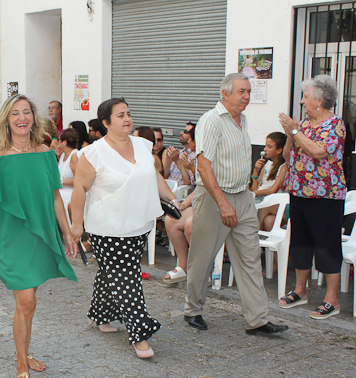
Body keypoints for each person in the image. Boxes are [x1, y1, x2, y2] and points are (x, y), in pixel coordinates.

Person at [0, 94, 77, 378]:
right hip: (9, 238)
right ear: (6, 119)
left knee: (28, 303)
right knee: (26, 302)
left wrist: (67, 233)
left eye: (26, 112)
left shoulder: (45, 153)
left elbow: (55, 197)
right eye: (15, 113)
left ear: (33, 117)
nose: (21, 118)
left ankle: (24, 351)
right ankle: (20, 366)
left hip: (40, 235)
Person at [71, 98, 178, 358]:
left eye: (128, 113)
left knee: (112, 273)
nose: (127, 119)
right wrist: (76, 225)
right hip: (107, 228)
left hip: (139, 224)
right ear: (106, 122)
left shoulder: (142, 145)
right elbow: (80, 189)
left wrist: (173, 200)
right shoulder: (93, 153)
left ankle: (99, 314)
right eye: (120, 115)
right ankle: (140, 334)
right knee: (127, 277)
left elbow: (155, 176)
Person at [183, 73, 289, 335]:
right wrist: (223, 204)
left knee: (250, 258)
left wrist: (245, 194)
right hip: (214, 197)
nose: (246, 97)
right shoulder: (211, 120)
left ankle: (258, 320)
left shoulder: (243, 119)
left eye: (249, 91)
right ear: (225, 93)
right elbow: (203, 166)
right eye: (241, 91)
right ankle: (192, 309)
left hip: (242, 197)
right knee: (203, 258)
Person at [278, 74, 347, 319]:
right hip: (299, 192)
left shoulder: (335, 124)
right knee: (301, 242)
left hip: (326, 196)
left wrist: (295, 131)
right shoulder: (304, 125)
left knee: (326, 245)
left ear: (319, 100)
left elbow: (318, 152)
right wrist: (290, 135)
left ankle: (332, 300)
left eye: (306, 97)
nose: (302, 101)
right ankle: (300, 291)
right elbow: (287, 156)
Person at [163, 131, 197, 283]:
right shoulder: (196, 156)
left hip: (216, 203)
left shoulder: (212, 156)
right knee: (172, 219)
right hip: (199, 200)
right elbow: (200, 187)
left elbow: (197, 183)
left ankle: (201, 269)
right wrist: (182, 205)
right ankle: (184, 266)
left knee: (190, 224)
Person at [250, 132, 287, 231]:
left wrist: (252, 193)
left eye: (269, 146)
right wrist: (255, 172)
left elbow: (272, 190)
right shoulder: (267, 165)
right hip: (261, 198)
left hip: (274, 201)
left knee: (262, 207)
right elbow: (256, 188)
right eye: (265, 145)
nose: (265, 149)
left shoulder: (283, 167)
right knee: (269, 221)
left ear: (279, 150)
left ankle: (255, 236)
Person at [57, 128, 79, 222]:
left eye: (59, 140)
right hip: (61, 190)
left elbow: (79, 180)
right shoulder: (63, 155)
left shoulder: (74, 156)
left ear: (65, 142)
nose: (57, 142)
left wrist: (61, 182)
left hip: (70, 193)